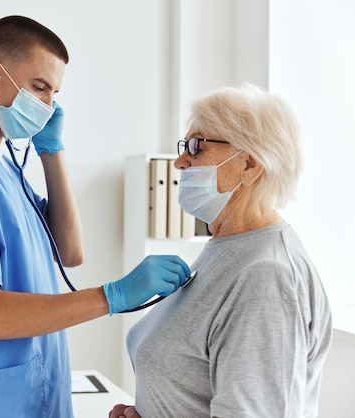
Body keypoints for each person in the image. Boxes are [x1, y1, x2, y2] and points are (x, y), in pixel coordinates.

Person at [0, 15, 191, 418]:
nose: (46, 105)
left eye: (54, 94)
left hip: (37, 398)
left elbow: (70, 251)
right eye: (38, 87)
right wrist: (113, 296)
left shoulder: (5, 169)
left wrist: (51, 151)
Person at [109, 84, 333, 418]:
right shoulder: (226, 247)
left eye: (196, 146)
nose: (179, 162)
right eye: (184, 146)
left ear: (250, 164)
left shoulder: (267, 276)